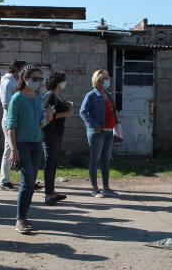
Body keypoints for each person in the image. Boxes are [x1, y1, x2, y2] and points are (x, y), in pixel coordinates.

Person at [6, 65, 52, 233]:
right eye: (34, 78)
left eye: (40, 79)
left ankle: (23, 216)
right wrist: (14, 149)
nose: (38, 82)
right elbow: (11, 125)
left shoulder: (39, 98)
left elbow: (40, 122)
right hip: (22, 144)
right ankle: (20, 219)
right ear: (24, 78)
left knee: (31, 182)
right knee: (28, 180)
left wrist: (48, 118)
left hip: (36, 142)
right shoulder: (17, 98)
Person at [79, 69, 118, 199]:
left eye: (107, 78)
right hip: (97, 132)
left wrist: (116, 126)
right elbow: (83, 112)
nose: (107, 81)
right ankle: (95, 189)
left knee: (106, 160)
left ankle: (106, 187)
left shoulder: (109, 94)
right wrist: (94, 126)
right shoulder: (91, 95)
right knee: (94, 160)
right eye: (103, 79)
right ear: (97, 81)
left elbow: (112, 112)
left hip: (108, 131)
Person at [42, 71, 73, 205]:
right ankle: (48, 194)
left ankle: (52, 192)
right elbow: (47, 115)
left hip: (55, 133)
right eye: (63, 80)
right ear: (58, 82)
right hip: (50, 134)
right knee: (50, 164)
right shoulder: (50, 96)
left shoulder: (55, 96)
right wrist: (66, 113)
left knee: (53, 163)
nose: (64, 83)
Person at [0, 60, 28, 191]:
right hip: (9, 120)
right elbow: (6, 103)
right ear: (16, 69)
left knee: (14, 149)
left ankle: (24, 179)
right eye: (23, 69)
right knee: (11, 149)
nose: (25, 71)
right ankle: (5, 180)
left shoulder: (19, 82)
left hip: (19, 120)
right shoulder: (7, 83)